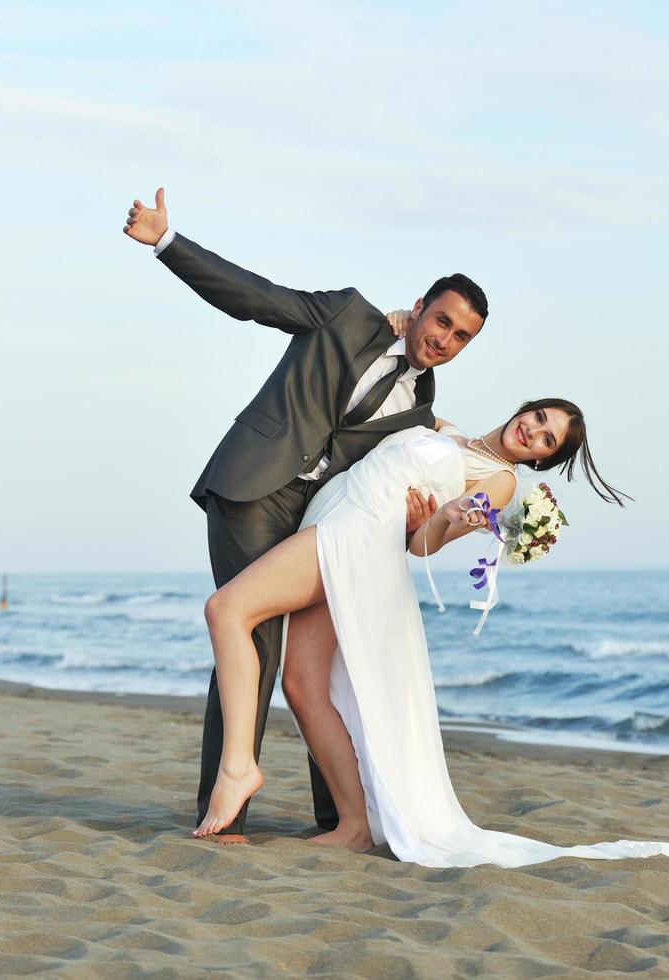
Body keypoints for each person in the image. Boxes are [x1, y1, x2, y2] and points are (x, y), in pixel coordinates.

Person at [195, 399, 669, 869]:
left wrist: (446, 516)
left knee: (227, 609)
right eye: (538, 419)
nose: (533, 434)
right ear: (525, 408)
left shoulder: (502, 480)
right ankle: (354, 826)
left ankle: (239, 768)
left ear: (541, 459)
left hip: (355, 535)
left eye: (546, 441)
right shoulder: (448, 429)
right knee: (303, 687)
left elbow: (424, 544)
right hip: (332, 519)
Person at [123, 187, 487, 838]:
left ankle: (338, 818)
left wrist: (432, 509)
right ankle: (227, 809)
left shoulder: (421, 405)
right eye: (443, 322)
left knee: (321, 657)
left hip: (316, 517)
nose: (447, 340)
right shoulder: (348, 315)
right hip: (252, 487)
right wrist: (167, 243)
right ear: (422, 307)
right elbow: (258, 297)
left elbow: (406, 466)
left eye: (461, 338)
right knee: (256, 636)